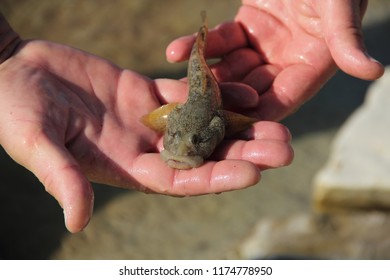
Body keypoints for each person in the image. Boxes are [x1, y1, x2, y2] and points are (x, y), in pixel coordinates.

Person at [0, 0, 383, 233]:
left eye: (195, 141)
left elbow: (227, 121)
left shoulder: (217, 120)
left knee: (230, 89)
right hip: (193, 105)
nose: (182, 150)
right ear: (169, 124)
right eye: (175, 140)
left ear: (217, 127)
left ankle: (202, 38)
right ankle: (201, 39)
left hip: (206, 101)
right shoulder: (175, 120)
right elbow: (168, 121)